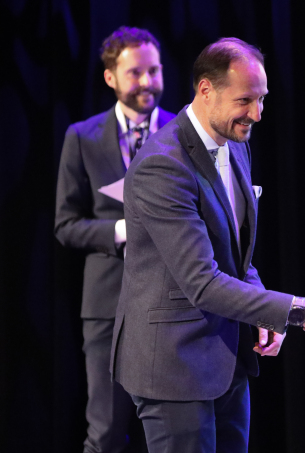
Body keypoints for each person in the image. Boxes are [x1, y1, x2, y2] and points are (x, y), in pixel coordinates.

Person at [110, 37, 305, 453]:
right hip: (173, 364)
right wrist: (297, 312)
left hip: (227, 355)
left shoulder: (235, 142)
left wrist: (264, 309)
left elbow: (236, 257)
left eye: (262, 99)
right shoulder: (162, 165)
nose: (257, 114)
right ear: (206, 90)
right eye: (246, 99)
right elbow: (202, 282)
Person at [55, 26, 175, 453]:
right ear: (110, 78)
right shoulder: (82, 137)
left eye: (154, 71)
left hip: (172, 304)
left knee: (174, 433)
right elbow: (65, 225)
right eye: (135, 72)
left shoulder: (184, 133)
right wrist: (121, 230)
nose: (147, 82)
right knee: (105, 432)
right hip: (107, 304)